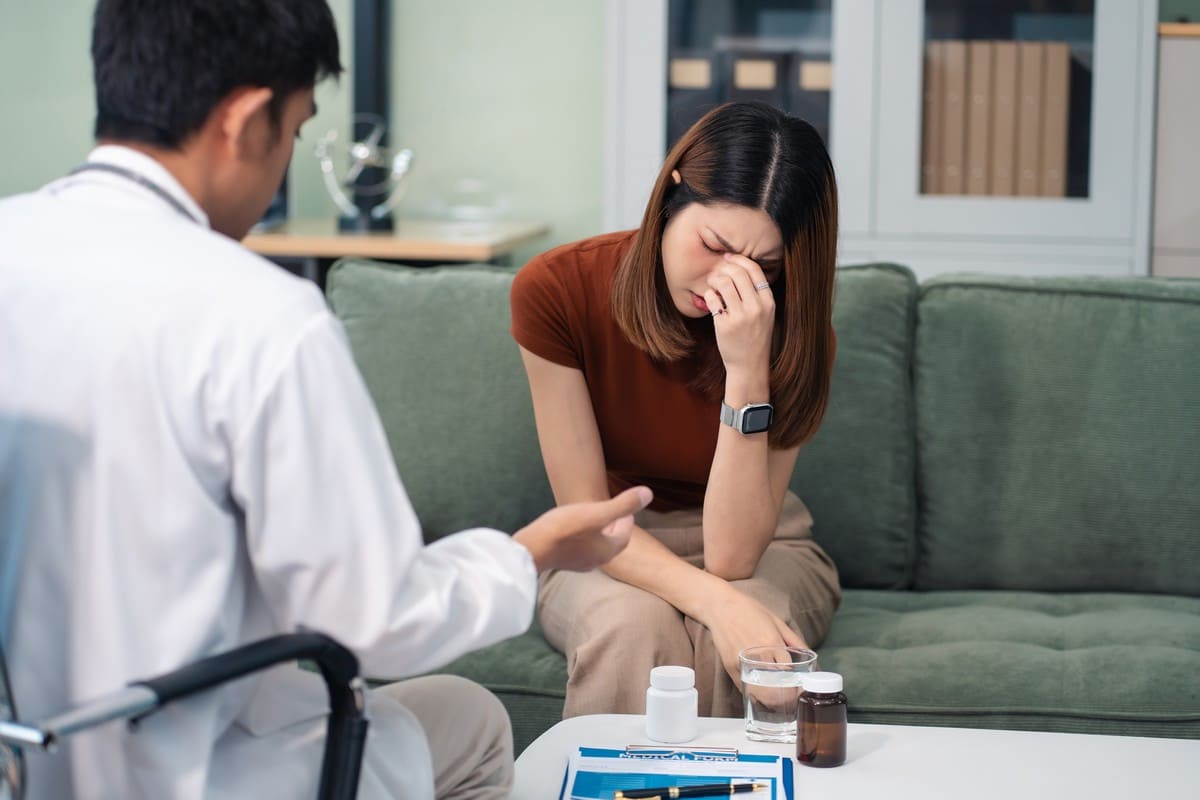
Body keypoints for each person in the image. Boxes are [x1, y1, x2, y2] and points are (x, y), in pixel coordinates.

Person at [0, 2, 652, 798]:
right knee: (473, 721)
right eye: (297, 130)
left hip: (25, 762)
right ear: (247, 122)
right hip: (184, 772)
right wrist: (530, 554)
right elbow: (378, 622)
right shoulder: (260, 317)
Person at [510, 101, 843, 719]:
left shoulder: (793, 327)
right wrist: (717, 603)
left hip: (765, 543)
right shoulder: (556, 289)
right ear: (671, 191)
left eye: (764, 268)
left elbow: (733, 559)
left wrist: (748, 370)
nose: (726, 283)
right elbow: (589, 519)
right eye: (713, 244)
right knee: (632, 629)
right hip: (609, 540)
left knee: (750, 652)